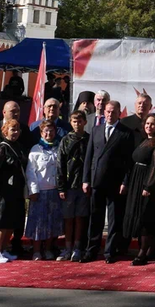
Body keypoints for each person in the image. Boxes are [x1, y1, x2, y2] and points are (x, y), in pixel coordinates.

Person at [82, 100, 136, 263]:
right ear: (103, 112)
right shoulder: (96, 130)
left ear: (119, 113)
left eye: (113, 112)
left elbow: (129, 161)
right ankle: (91, 251)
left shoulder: (126, 132)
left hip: (115, 183)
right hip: (96, 181)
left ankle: (110, 252)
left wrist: (125, 182)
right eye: (107, 111)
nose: (110, 114)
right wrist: (86, 180)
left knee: (114, 220)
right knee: (95, 218)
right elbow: (89, 157)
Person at [122, 113, 155, 265]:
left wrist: (148, 185)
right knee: (142, 217)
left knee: (146, 218)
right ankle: (150, 251)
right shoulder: (145, 140)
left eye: (152, 124)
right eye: (147, 124)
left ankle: (143, 253)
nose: (149, 126)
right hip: (137, 181)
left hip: (148, 184)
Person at [25, 120, 63, 260]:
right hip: (40, 192)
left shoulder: (58, 147)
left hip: (54, 190)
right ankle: (36, 250)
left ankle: (48, 249)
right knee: (38, 223)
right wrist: (33, 190)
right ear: (41, 133)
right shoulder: (35, 149)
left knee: (51, 222)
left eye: (51, 131)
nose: (48, 133)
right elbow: (31, 171)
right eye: (45, 131)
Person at [57, 110, 90, 261]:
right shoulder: (65, 140)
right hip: (69, 185)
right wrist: (61, 186)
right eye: (74, 121)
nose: (77, 124)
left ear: (85, 122)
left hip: (83, 185)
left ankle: (78, 247)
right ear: (70, 122)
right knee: (68, 217)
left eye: (80, 121)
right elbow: (60, 164)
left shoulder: (89, 139)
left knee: (80, 217)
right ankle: (67, 247)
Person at [0, 119, 27, 263]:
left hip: (17, 190)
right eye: (12, 129)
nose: (15, 132)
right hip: (4, 190)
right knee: (3, 222)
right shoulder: (2, 148)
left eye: (17, 129)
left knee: (12, 221)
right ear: (5, 130)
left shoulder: (18, 146)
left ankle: (4, 249)